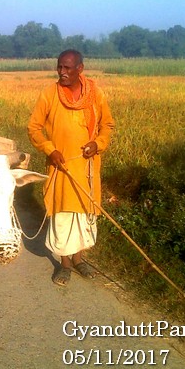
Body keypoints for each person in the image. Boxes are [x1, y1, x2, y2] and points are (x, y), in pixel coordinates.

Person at [27, 49, 115, 286]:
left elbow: (107, 125)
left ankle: (79, 260)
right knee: (63, 217)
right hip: (61, 168)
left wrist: (97, 144)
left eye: (67, 68)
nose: (62, 72)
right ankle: (65, 265)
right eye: (59, 67)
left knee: (84, 216)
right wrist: (50, 149)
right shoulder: (49, 94)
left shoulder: (95, 94)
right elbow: (33, 128)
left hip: (87, 169)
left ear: (80, 69)